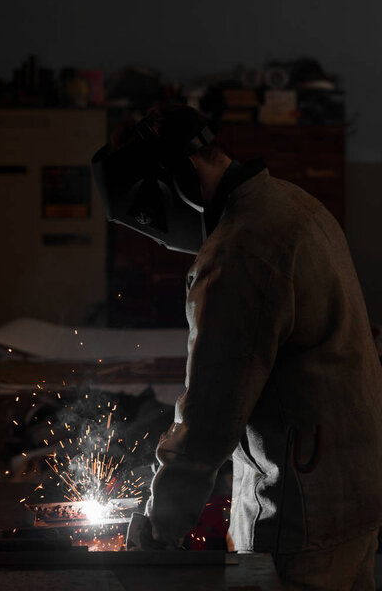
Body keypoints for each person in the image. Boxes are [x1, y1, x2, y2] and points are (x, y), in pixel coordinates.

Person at [92, 104, 382, 590]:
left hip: (299, 519)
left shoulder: (239, 253)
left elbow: (208, 418)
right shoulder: (296, 205)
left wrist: (159, 531)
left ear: (178, 181)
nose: (164, 241)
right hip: (354, 497)